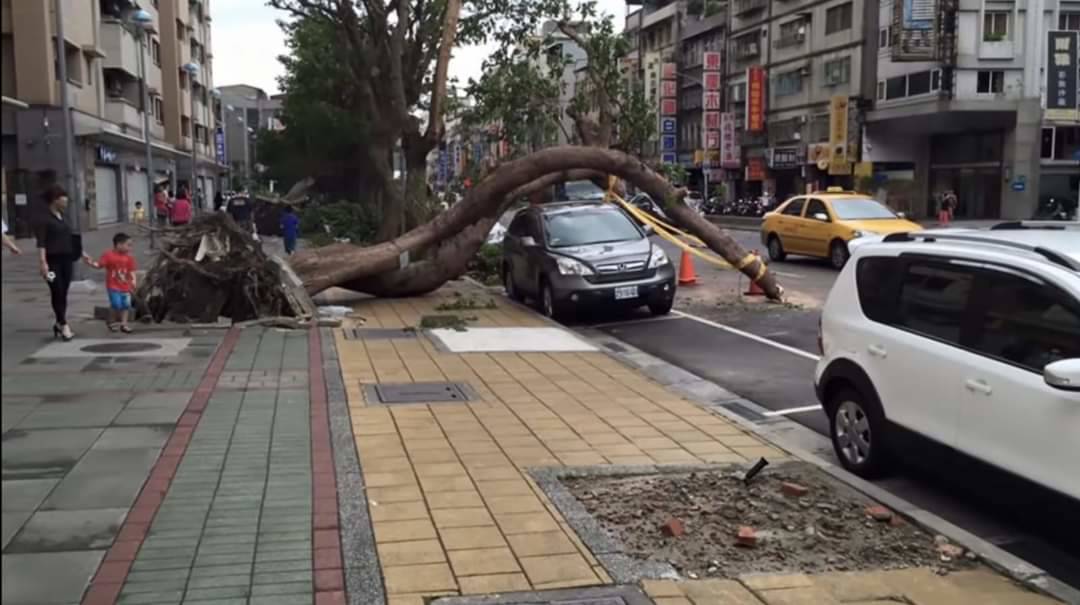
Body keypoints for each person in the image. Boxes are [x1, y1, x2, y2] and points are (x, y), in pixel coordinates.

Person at [35, 185, 95, 341]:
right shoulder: (43, 219)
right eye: (63, 197)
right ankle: (63, 324)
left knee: (64, 292)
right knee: (57, 290)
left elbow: (70, 238)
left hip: (67, 261)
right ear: (55, 200)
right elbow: (41, 242)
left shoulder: (64, 217)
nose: (66, 200)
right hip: (51, 262)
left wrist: (83, 254)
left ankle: (58, 322)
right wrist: (43, 263)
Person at [92, 232, 137, 333]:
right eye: (128, 245)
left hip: (125, 285)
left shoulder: (129, 258)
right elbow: (100, 265)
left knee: (126, 305)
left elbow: (131, 270)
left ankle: (124, 324)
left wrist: (133, 281)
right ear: (119, 245)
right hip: (113, 285)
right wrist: (91, 262)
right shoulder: (108, 255)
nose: (130, 248)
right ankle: (110, 320)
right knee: (116, 304)